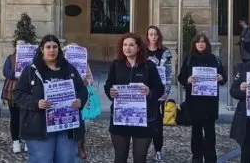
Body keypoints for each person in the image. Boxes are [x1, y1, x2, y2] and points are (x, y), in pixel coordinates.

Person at [13, 34, 88, 163]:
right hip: (39, 126)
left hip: (66, 125)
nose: (52, 50)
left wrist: (80, 100)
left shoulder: (69, 68)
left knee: (67, 159)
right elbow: (18, 94)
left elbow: (82, 90)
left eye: (55, 47)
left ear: (59, 49)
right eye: (48, 47)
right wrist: (36, 103)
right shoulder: (31, 71)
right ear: (42, 49)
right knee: (42, 159)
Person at [104, 32, 165, 163]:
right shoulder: (116, 65)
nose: (127, 48)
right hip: (120, 119)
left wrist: (149, 91)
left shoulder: (149, 66)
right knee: (120, 157)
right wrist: (110, 92)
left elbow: (160, 88)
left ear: (138, 48)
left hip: (144, 119)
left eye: (131, 45)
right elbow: (108, 85)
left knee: (139, 158)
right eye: (125, 45)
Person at [177, 34, 226, 163]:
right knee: (196, 131)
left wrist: (221, 78)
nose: (201, 44)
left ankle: (210, 157)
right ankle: (197, 157)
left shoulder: (214, 59)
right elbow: (181, 77)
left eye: (203, 42)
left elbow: (223, 77)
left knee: (210, 132)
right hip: (194, 101)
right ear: (194, 44)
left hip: (210, 102)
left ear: (207, 44)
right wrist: (187, 80)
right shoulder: (189, 59)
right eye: (198, 42)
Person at [144, 25, 173, 162]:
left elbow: (168, 74)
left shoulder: (165, 52)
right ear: (147, 36)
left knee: (157, 124)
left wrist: (166, 93)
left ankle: (158, 150)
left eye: (155, 34)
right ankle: (141, 149)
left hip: (159, 92)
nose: (153, 37)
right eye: (151, 34)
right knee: (143, 122)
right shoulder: (142, 52)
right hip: (143, 92)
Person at [62, 43, 95, 160]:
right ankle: (66, 147)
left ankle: (81, 146)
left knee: (81, 124)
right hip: (65, 98)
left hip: (80, 98)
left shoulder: (84, 64)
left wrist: (85, 80)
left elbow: (91, 81)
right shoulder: (61, 65)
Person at [2, 40, 26, 154]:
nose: (21, 47)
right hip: (12, 92)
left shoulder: (30, 59)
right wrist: (17, 74)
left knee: (27, 117)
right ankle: (16, 141)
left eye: (23, 45)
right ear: (16, 47)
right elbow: (5, 72)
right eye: (19, 45)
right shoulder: (10, 58)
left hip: (27, 92)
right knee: (15, 117)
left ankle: (26, 140)